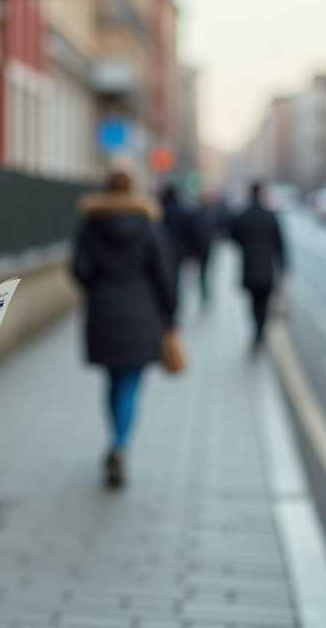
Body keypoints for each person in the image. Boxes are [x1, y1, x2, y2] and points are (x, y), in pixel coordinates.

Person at [73, 171, 177, 487]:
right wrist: (170, 316)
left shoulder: (90, 226)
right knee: (131, 383)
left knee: (113, 380)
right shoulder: (148, 226)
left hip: (104, 310)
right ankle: (120, 444)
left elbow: (79, 270)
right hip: (142, 312)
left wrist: (100, 287)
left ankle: (115, 440)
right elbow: (165, 276)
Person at [229, 182, 287, 357]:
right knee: (263, 305)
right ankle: (259, 338)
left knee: (253, 305)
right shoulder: (270, 216)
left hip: (249, 268)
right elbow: (280, 244)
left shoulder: (243, 215)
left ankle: (256, 337)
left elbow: (233, 237)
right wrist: (283, 268)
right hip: (267, 269)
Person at [158, 183, 196, 309]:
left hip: (160, 251)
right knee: (175, 281)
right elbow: (189, 232)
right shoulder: (181, 211)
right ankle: (173, 305)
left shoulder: (159, 211)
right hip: (177, 252)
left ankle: (165, 304)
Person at [192, 189, 225, 303]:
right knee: (203, 272)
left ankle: (207, 292)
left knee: (208, 270)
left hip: (209, 246)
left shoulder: (212, 212)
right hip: (201, 247)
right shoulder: (199, 213)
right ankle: (204, 292)